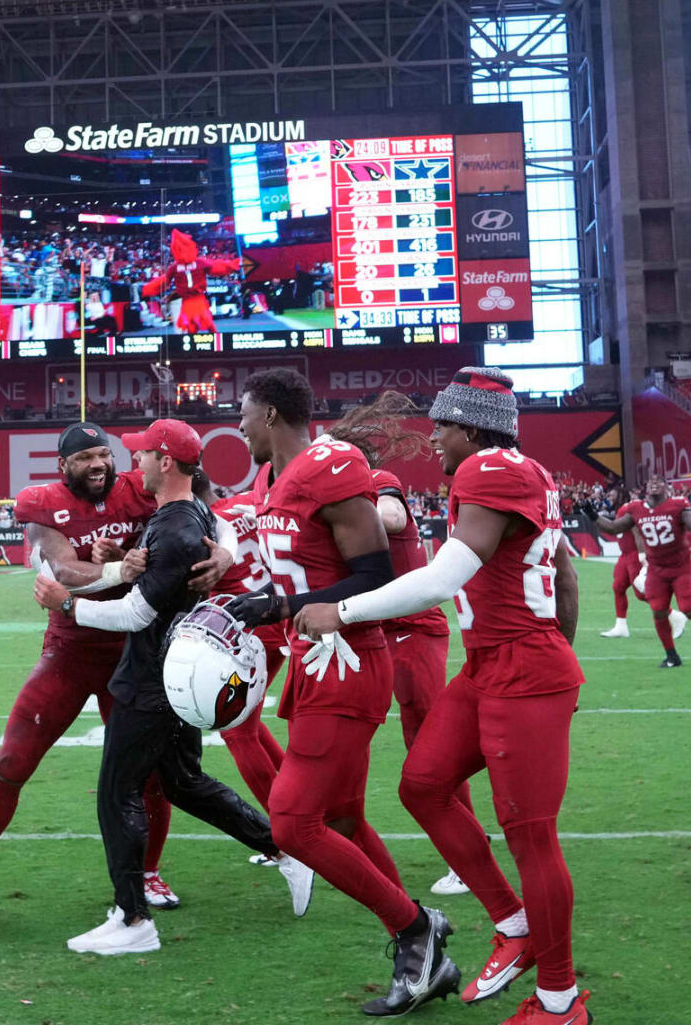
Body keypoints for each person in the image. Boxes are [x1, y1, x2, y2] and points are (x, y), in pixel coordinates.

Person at [305, 367, 589, 1025]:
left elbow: (442, 580)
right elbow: (567, 576)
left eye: (442, 428)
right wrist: (562, 650)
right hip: (495, 663)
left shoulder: (487, 472)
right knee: (424, 783)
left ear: (469, 428)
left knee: (532, 838)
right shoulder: (525, 471)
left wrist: (342, 611)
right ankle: (514, 926)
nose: (433, 440)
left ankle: (560, 1000)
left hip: (523, 671)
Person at [0, 421, 235, 929]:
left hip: (135, 656)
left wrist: (225, 550)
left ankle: (148, 873)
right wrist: (116, 572)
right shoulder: (44, 504)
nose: (98, 465)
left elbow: (211, 515)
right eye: (85, 458)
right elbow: (63, 571)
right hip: (69, 650)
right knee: (12, 762)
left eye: (103, 455)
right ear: (62, 466)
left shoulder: (141, 483)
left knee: (150, 775)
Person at [32, 418, 311, 956]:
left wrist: (65, 603)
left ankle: (133, 919)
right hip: (176, 667)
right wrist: (223, 551)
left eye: (141, 455)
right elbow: (221, 527)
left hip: (153, 676)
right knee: (182, 782)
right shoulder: (190, 515)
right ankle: (284, 850)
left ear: (165, 462)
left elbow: (134, 615)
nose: (132, 462)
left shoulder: (175, 530)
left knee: (118, 791)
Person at [231, 368, 458, 1017]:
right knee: (343, 820)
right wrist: (260, 606)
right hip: (313, 662)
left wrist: (285, 601)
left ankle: (416, 931)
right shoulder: (277, 478)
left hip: (348, 664)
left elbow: (372, 575)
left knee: (294, 823)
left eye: (244, 414)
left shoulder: (331, 465)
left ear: (270, 415)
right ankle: (417, 933)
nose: (239, 425)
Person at [327, 390, 471, 898]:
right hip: (369, 629)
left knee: (428, 744)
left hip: (411, 627)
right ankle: (317, 839)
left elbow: (388, 517)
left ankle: (465, 855)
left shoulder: (375, 483)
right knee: (336, 737)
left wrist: (347, 506)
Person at [197, 469, 288, 827]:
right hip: (280, 614)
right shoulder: (248, 501)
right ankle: (300, 807)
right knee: (246, 722)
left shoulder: (201, 527)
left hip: (250, 631)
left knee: (236, 730)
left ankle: (289, 828)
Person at [597, 477, 691, 667]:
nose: (654, 483)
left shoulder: (677, 505)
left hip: (680, 566)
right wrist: (592, 515)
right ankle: (672, 656)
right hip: (656, 568)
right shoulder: (636, 508)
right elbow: (613, 527)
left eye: (659, 481)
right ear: (646, 488)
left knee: (688, 608)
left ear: (666, 487)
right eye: (650, 481)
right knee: (658, 611)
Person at [597, 486, 648, 638]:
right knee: (618, 587)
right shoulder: (622, 509)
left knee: (641, 593)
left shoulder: (629, 508)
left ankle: (674, 616)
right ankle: (621, 626)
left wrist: (641, 554)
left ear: (620, 494)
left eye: (612, 494)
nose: (609, 497)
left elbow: (636, 531)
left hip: (633, 555)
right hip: (624, 555)